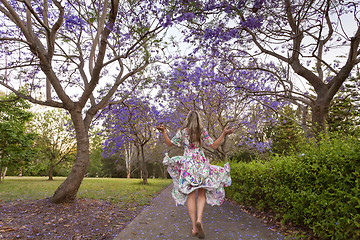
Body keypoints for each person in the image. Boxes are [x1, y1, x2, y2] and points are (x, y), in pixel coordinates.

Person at [156, 110, 233, 238]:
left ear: (188, 119)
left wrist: (163, 132)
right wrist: (224, 133)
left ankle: (193, 227)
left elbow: (170, 144)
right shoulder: (201, 132)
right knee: (201, 194)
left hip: (188, 165)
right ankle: (199, 220)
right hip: (201, 164)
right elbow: (214, 146)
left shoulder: (183, 132)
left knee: (191, 196)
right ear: (198, 120)